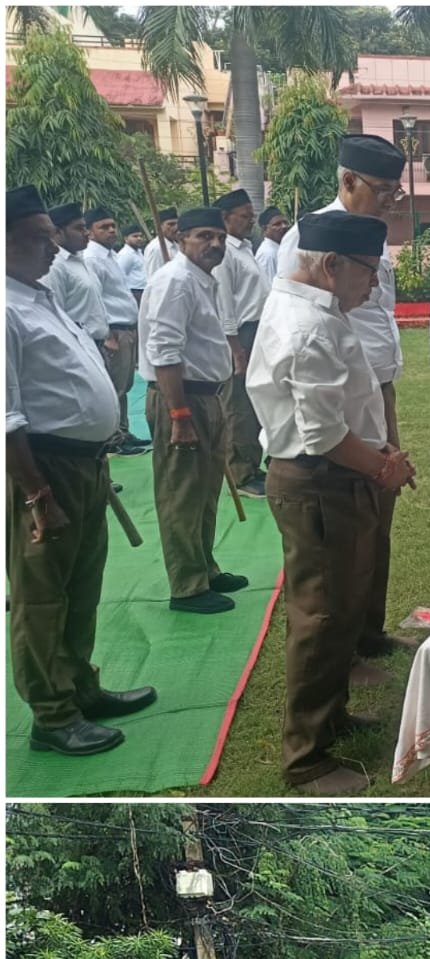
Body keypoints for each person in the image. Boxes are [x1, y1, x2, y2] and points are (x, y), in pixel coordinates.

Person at [247, 208, 416, 796]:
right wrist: (383, 467)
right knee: (320, 617)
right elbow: (321, 435)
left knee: (341, 606)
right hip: (319, 481)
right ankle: (306, 759)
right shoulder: (310, 326)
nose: (374, 285)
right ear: (332, 264)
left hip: (332, 477)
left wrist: (379, 454)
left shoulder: (314, 307)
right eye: (368, 272)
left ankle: (332, 715)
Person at [7, 185, 158, 758]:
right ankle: (52, 715)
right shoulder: (4, 309)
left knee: (81, 586)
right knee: (42, 596)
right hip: (44, 471)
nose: (52, 247)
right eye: (38, 238)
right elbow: (6, 418)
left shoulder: (38, 296)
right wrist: (37, 495)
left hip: (84, 465)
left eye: (52, 235)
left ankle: (79, 687)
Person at [275, 134, 408, 665]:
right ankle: (343, 652)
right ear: (348, 181)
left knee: (377, 517)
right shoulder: (312, 236)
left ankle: (368, 631)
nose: (390, 201)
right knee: (344, 529)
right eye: (383, 190)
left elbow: (379, 316)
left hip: (375, 388)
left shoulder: (372, 237)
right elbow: (301, 330)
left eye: (396, 192)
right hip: (335, 395)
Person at [138, 205, 248, 615]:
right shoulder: (176, 282)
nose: (214, 244)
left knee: (205, 489)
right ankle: (186, 586)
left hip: (207, 396)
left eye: (219, 237)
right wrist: (179, 415)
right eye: (204, 236)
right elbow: (165, 352)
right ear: (181, 239)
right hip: (181, 399)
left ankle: (205, 568)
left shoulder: (202, 280)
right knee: (182, 493)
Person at [212, 188, 268, 495]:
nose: (251, 221)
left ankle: (252, 462)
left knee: (255, 400)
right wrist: (235, 348)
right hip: (239, 335)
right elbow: (225, 305)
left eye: (252, 216)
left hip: (257, 331)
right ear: (226, 217)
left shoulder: (245, 248)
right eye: (245, 216)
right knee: (238, 405)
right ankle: (240, 473)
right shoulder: (225, 253)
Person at [82, 205, 143, 447]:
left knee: (125, 385)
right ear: (89, 232)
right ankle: (114, 438)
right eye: (103, 227)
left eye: (113, 226)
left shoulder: (110, 256)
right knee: (116, 386)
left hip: (126, 327)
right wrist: (106, 333)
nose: (111, 231)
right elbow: (94, 298)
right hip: (114, 331)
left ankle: (123, 431)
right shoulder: (92, 258)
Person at [44, 203, 110, 349]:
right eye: (79, 228)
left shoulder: (80, 259)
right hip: (77, 347)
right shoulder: (54, 266)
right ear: (57, 232)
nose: (86, 233)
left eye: (85, 227)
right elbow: (55, 316)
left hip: (97, 345)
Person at [255, 206, 288, 284]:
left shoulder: (278, 249)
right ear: (265, 229)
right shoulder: (268, 254)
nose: (284, 226)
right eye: (277, 224)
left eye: (285, 222)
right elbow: (269, 286)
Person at [143, 208, 180, 278]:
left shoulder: (176, 245)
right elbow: (154, 277)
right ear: (160, 226)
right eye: (171, 224)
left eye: (177, 224)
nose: (176, 227)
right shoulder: (156, 248)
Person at [117, 223, 148, 302]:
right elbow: (120, 275)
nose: (139, 238)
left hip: (144, 290)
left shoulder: (138, 252)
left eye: (140, 236)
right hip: (135, 291)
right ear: (126, 239)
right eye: (135, 236)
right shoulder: (125, 254)